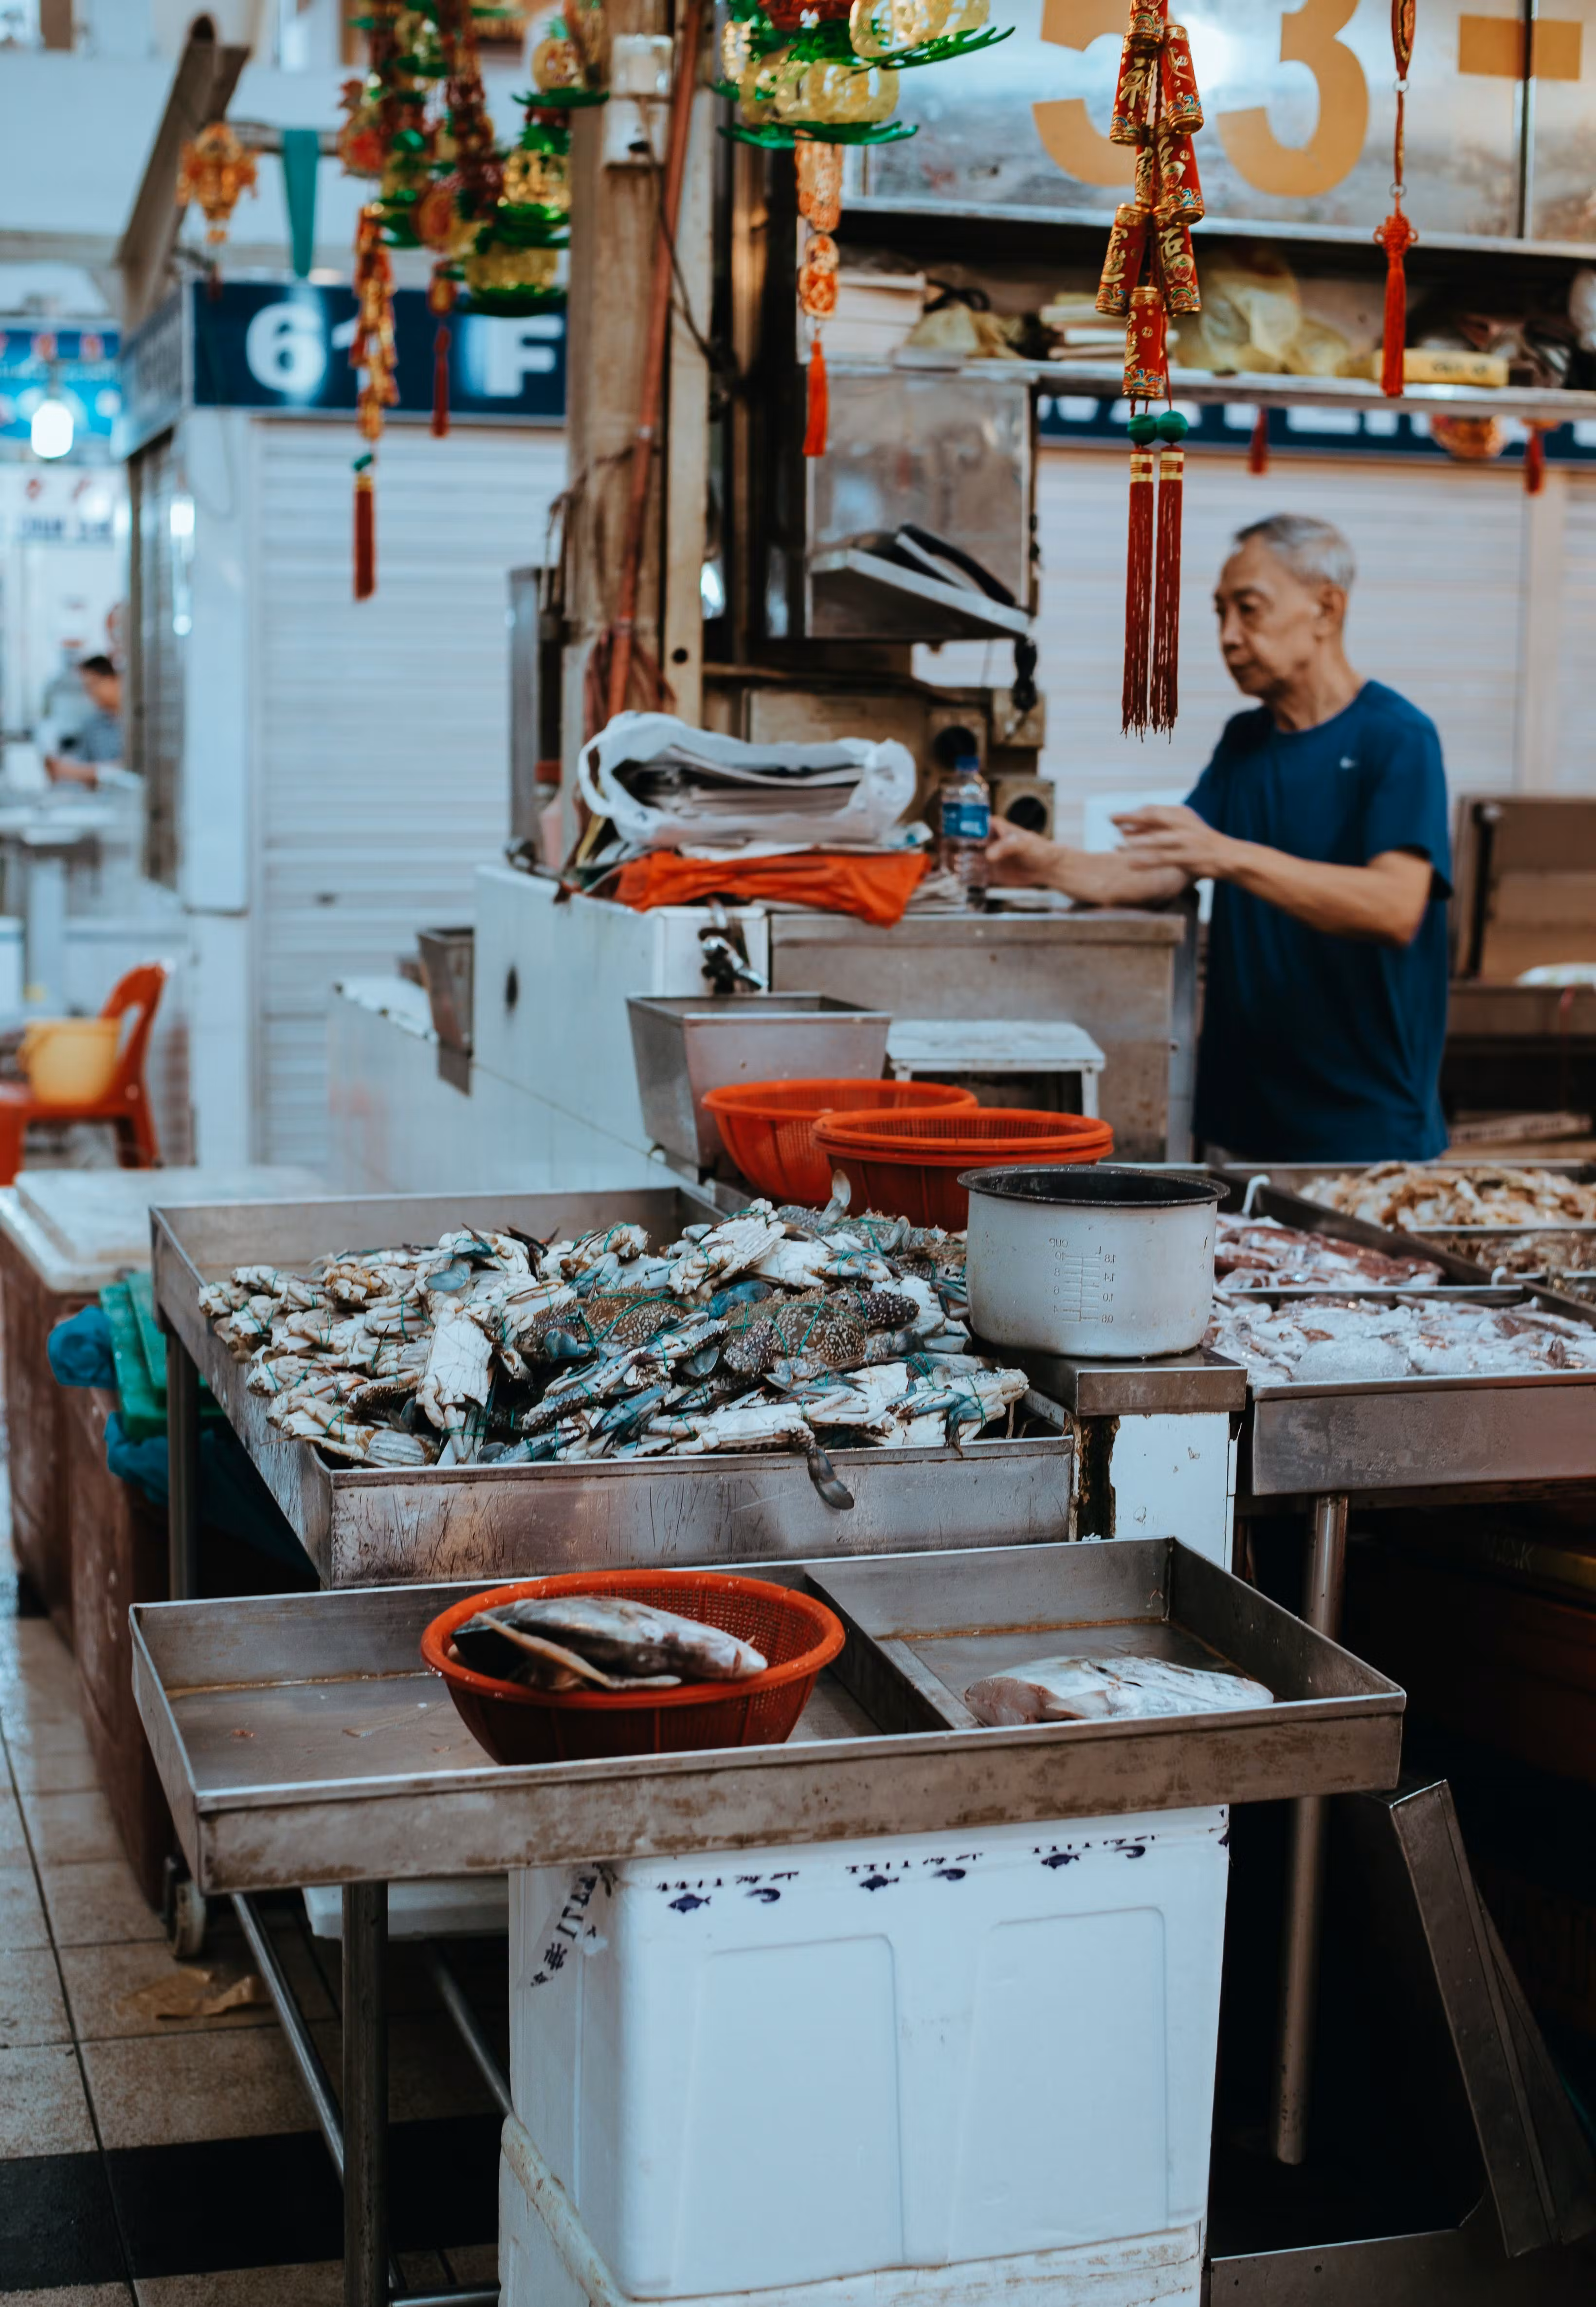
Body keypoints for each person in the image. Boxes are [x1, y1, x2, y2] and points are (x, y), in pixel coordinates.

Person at [986, 513, 1451, 1161]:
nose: (1228, 637)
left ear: (1326, 609)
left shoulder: (1397, 739)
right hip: (1242, 1123)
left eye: (1250, 610)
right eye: (1219, 614)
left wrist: (1227, 855)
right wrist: (1040, 860)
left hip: (1364, 1130)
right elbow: (1161, 869)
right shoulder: (1245, 744)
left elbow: (1395, 907)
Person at [45, 655, 124, 789]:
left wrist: (85, 772)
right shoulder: (91, 726)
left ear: (114, 679)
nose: (91, 693)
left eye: (94, 685)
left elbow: (135, 770)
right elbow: (80, 773)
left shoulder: (139, 722)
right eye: (87, 688)